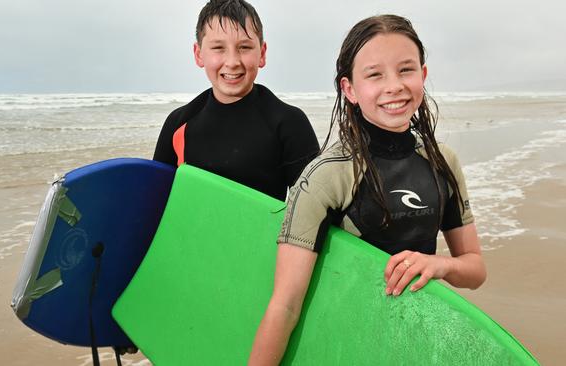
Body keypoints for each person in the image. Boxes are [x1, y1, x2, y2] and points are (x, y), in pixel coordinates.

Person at [248, 14, 487, 365]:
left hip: (416, 344)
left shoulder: (442, 162)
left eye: (406, 70)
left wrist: (438, 265)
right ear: (350, 89)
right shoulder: (326, 176)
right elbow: (285, 305)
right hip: (344, 345)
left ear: (423, 75)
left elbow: (475, 270)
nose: (394, 86)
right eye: (375, 74)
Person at [153, 0, 319, 201]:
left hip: (262, 233)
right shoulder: (179, 123)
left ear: (262, 53)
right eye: (218, 48)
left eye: (244, 47)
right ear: (198, 55)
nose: (232, 62)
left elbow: (313, 208)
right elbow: (157, 201)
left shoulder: (289, 123)